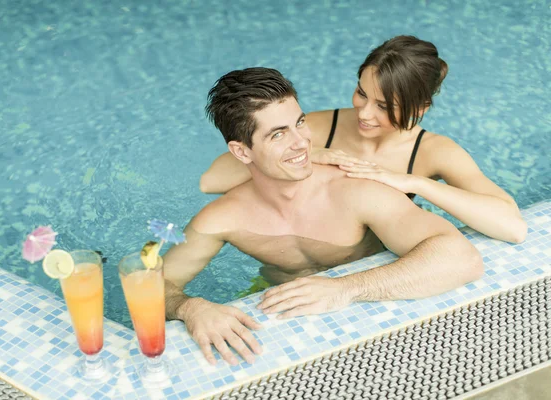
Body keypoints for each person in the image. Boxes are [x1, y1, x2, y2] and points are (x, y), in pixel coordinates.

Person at [163, 67, 483, 367]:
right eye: (278, 135)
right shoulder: (221, 219)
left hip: (380, 303)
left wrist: (345, 288)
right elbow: (153, 284)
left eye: (300, 123)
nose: (301, 142)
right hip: (284, 318)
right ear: (242, 152)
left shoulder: (352, 190)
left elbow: (461, 258)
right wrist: (191, 308)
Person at [199, 36, 527, 244]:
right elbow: (211, 181)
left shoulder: (432, 152)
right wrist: (316, 154)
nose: (365, 113)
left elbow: (512, 226)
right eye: (361, 93)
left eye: (384, 106)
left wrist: (413, 182)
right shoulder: (321, 126)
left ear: (421, 108)